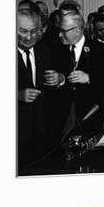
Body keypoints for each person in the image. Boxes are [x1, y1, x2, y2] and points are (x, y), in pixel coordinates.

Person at [16, 9, 65, 169]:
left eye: (33, 31)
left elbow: (55, 94)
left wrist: (59, 79)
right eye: (23, 31)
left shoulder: (45, 50)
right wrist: (16, 96)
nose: (29, 37)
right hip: (15, 134)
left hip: (43, 133)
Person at [56, 13, 104, 135]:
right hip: (64, 117)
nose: (60, 35)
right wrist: (60, 79)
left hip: (90, 115)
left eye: (63, 31)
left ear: (76, 30)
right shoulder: (58, 50)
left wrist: (89, 78)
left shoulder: (98, 49)